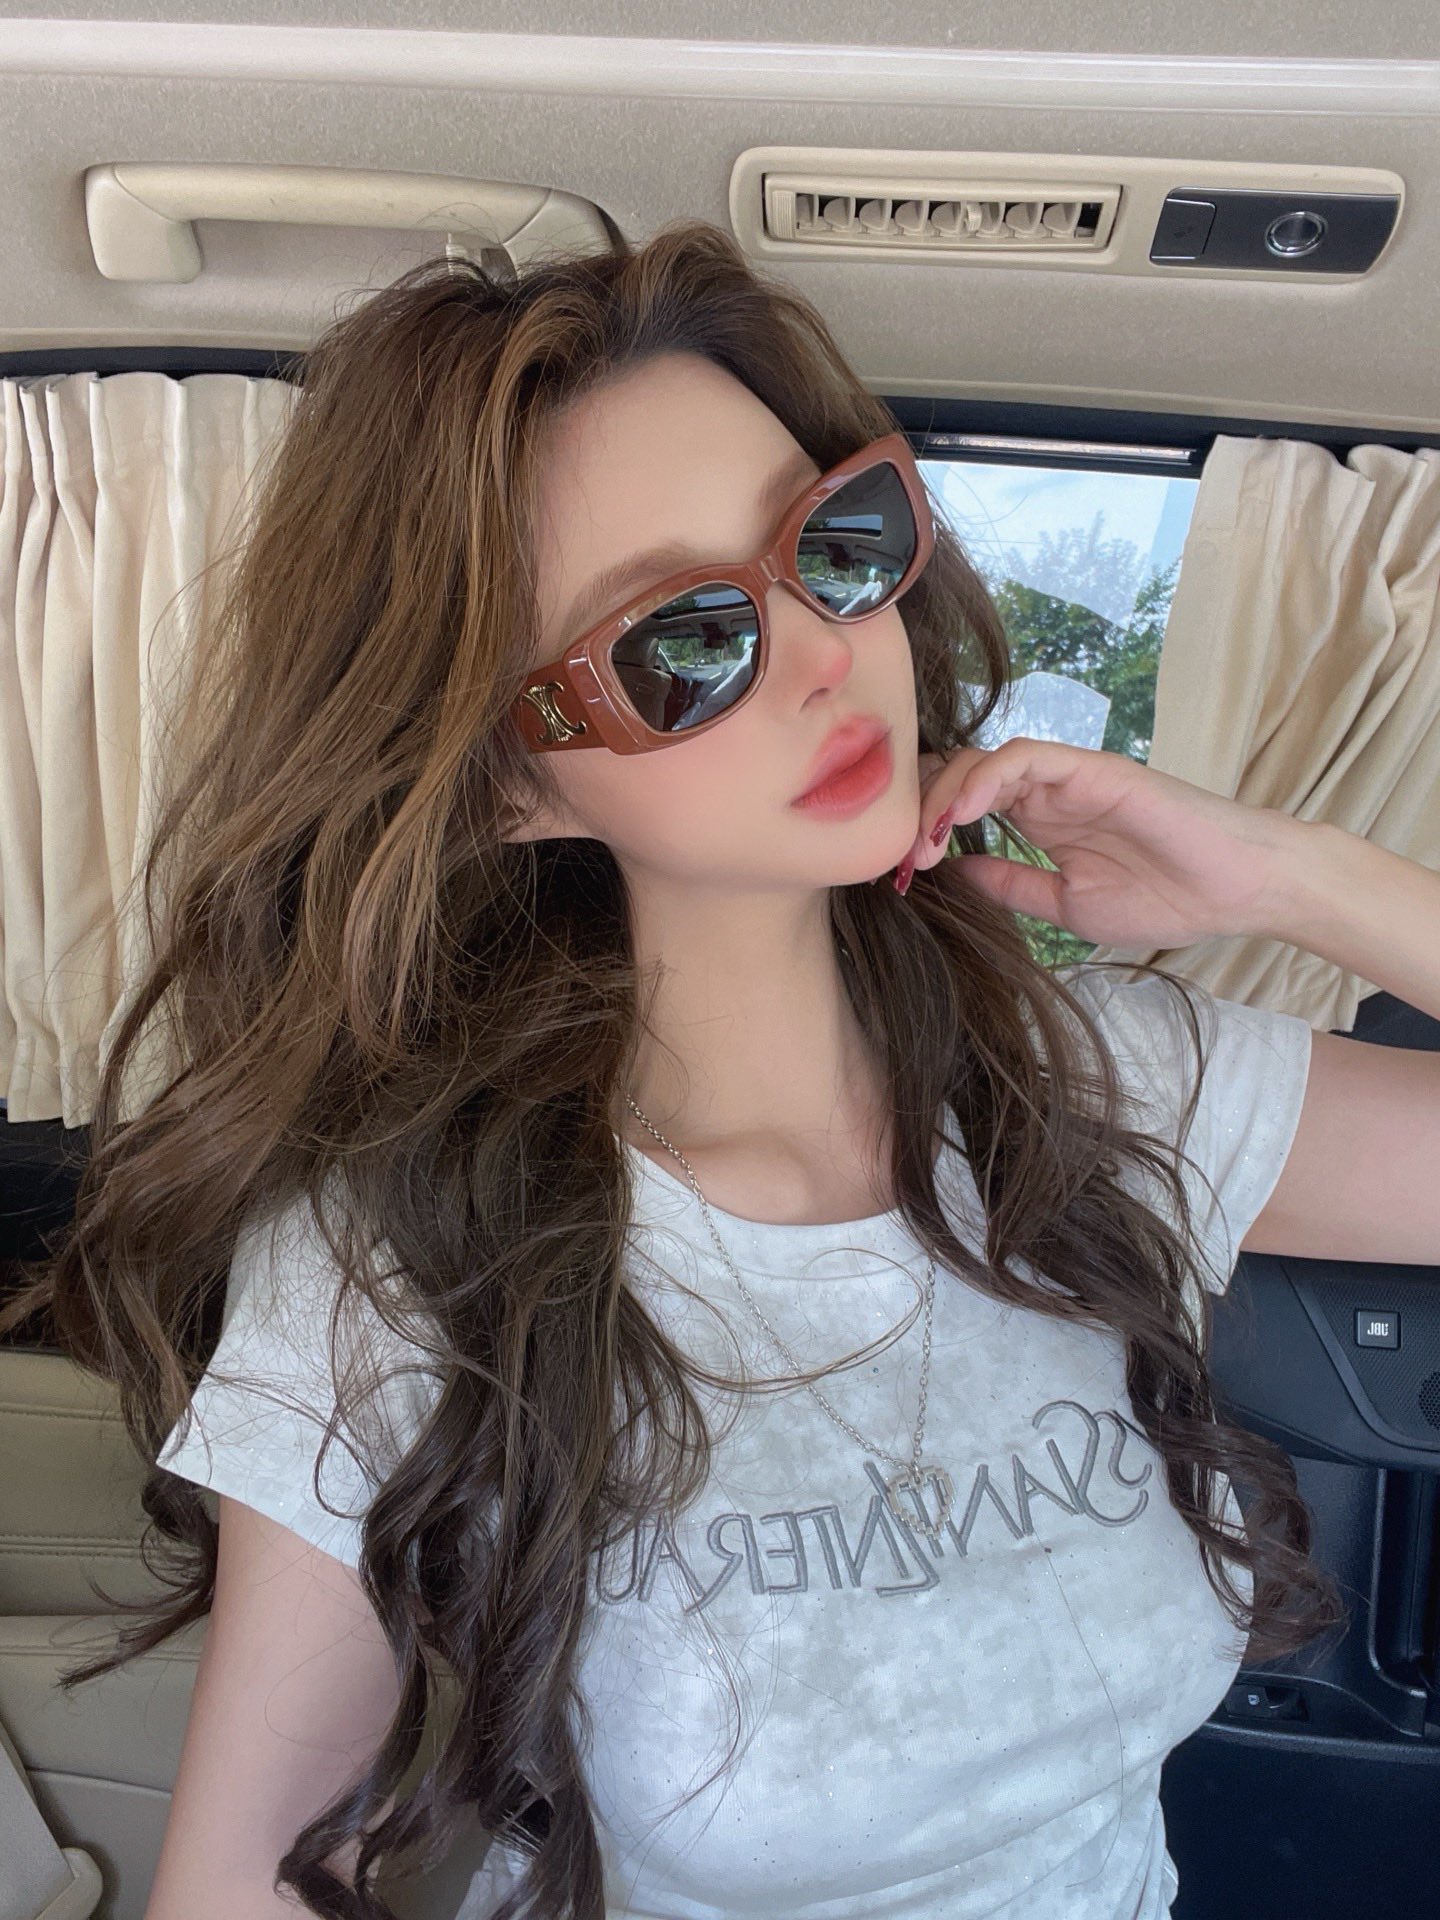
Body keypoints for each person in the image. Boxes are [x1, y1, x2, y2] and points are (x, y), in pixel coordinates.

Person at [12, 218, 1343, 1920]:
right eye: (683, 644)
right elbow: (245, 1888)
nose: (823, 649)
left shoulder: (1097, 1080)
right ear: (511, 781)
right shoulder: (402, 1266)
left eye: (835, 546)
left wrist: (1293, 879)